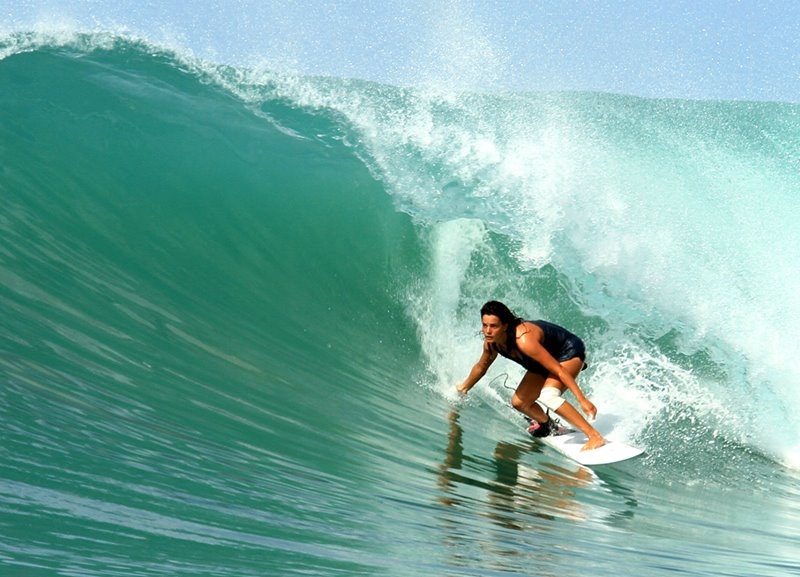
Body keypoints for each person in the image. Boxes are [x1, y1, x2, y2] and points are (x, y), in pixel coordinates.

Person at [456, 300, 605, 451]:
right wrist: (464, 387)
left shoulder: (524, 340)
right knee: (519, 403)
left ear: (505, 326)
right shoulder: (492, 343)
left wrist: (582, 400)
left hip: (567, 352)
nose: (488, 331)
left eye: (494, 326)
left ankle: (594, 436)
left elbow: (559, 369)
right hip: (542, 360)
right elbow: (482, 366)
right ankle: (549, 425)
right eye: (485, 325)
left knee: (548, 396)